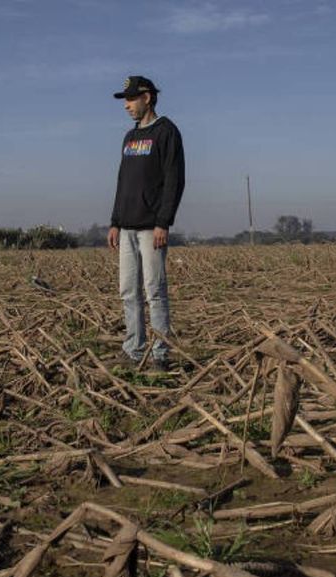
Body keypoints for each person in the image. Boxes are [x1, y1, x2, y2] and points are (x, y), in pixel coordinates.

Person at [107, 75, 185, 370]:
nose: (126, 105)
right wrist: (115, 221)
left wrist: (163, 222)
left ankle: (160, 355)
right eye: (125, 100)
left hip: (151, 228)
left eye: (130, 99)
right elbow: (122, 182)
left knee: (154, 291)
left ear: (147, 98)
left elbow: (174, 181)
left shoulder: (166, 132)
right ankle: (133, 349)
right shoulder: (129, 138)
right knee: (128, 291)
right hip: (126, 227)